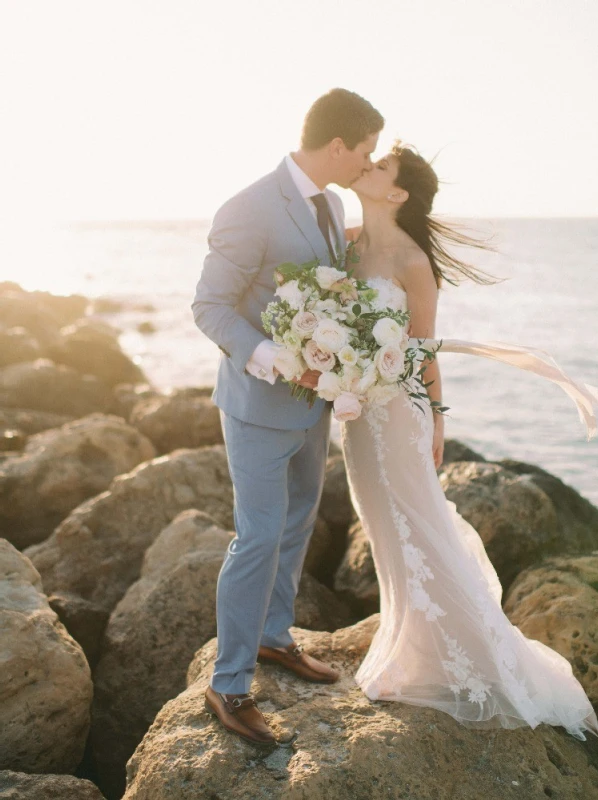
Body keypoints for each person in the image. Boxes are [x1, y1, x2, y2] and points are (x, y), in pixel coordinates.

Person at [342, 142, 598, 740]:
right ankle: (410, 645)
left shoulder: (412, 263)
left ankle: (467, 657)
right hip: (357, 414)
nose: (370, 166)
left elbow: (425, 348)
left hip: (397, 413)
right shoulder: (345, 242)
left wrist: (435, 419)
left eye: (381, 166)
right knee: (383, 527)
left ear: (397, 192)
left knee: (417, 523)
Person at [192, 88, 384, 746]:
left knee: (299, 521)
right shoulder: (248, 208)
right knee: (257, 535)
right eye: (364, 152)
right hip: (258, 403)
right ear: (337, 145)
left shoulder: (331, 204)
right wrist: (272, 356)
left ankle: (274, 638)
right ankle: (229, 683)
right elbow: (210, 308)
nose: (368, 163)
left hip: (314, 403)